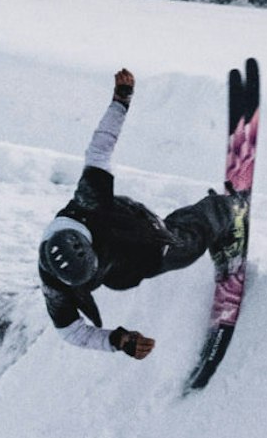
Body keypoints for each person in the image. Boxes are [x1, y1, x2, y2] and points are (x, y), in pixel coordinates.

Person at [38, 68, 233, 359]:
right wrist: (118, 340)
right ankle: (210, 224)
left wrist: (120, 100)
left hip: (131, 228)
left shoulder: (89, 203)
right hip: (121, 271)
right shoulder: (53, 283)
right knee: (122, 280)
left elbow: (99, 150)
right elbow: (70, 332)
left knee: (183, 245)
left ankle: (226, 210)